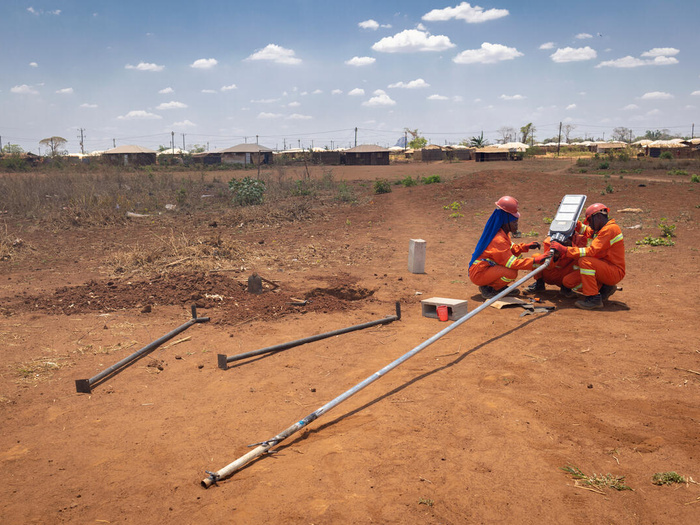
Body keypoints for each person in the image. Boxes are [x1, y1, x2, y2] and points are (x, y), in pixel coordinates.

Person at [469, 196, 549, 299]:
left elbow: (510, 249)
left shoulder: (503, 234)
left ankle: (497, 287)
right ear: (506, 221)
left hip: (484, 269)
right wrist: (536, 260)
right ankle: (491, 289)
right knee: (511, 273)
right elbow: (512, 263)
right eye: (514, 222)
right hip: (480, 273)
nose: (517, 225)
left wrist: (525, 247)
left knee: (517, 257)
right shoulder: (499, 239)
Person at [551, 203, 625, 310]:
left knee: (585, 261)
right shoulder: (602, 229)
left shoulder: (610, 229)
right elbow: (586, 231)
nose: (589, 224)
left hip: (614, 271)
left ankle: (593, 298)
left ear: (598, 216)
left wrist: (566, 250)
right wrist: (571, 220)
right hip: (604, 268)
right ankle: (604, 288)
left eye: (590, 221)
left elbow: (591, 251)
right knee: (568, 281)